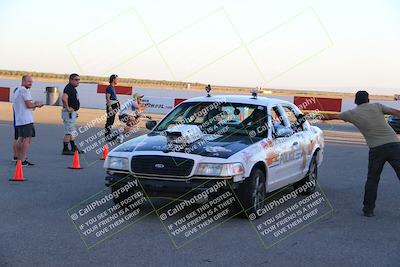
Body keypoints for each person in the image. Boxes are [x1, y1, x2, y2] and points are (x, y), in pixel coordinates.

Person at [323, 91, 400, 217]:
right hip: (394, 145)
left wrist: (314, 116)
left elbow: (331, 116)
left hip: (376, 149)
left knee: (373, 179)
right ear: (368, 99)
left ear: (355, 101)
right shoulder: (377, 106)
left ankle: (368, 209)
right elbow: (397, 113)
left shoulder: (351, 113)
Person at [12, 75, 44, 166]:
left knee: (20, 138)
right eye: (29, 81)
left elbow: (25, 106)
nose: (30, 83)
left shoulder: (17, 90)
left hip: (19, 119)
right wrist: (37, 105)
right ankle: (22, 160)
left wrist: (34, 105)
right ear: (23, 81)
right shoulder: (24, 91)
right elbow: (29, 105)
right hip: (26, 120)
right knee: (27, 139)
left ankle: (18, 157)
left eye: (31, 82)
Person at [61, 73, 82, 155]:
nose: (78, 81)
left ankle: (73, 147)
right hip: (68, 113)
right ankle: (65, 149)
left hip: (72, 113)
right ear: (71, 80)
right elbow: (64, 98)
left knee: (72, 131)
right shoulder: (69, 88)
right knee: (68, 131)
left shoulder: (72, 88)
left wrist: (74, 112)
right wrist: (68, 108)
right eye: (76, 80)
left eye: (79, 80)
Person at [104, 74, 120, 141]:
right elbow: (107, 98)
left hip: (114, 105)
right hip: (111, 106)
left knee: (111, 121)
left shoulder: (112, 87)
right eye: (117, 79)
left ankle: (109, 134)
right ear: (113, 79)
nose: (117, 80)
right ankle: (107, 136)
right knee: (109, 121)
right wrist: (109, 106)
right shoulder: (109, 87)